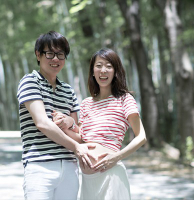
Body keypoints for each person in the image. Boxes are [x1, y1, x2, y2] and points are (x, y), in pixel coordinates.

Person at [53, 48, 147, 199]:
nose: (103, 70)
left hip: (111, 175)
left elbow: (141, 136)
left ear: (115, 71)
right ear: (92, 71)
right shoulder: (85, 104)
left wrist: (116, 157)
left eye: (109, 66)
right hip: (88, 180)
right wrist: (65, 124)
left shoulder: (124, 99)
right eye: (99, 66)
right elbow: (82, 139)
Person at [16, 30, 95, 200]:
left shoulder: (68, 91)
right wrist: (76, 147)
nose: (55, 59)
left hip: (69, 167)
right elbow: (43, 123)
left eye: (60, 54)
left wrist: (70, 123)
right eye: (50, 53)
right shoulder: (29, 81)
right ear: (38, 55)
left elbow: (79, 136)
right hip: (39, 166)